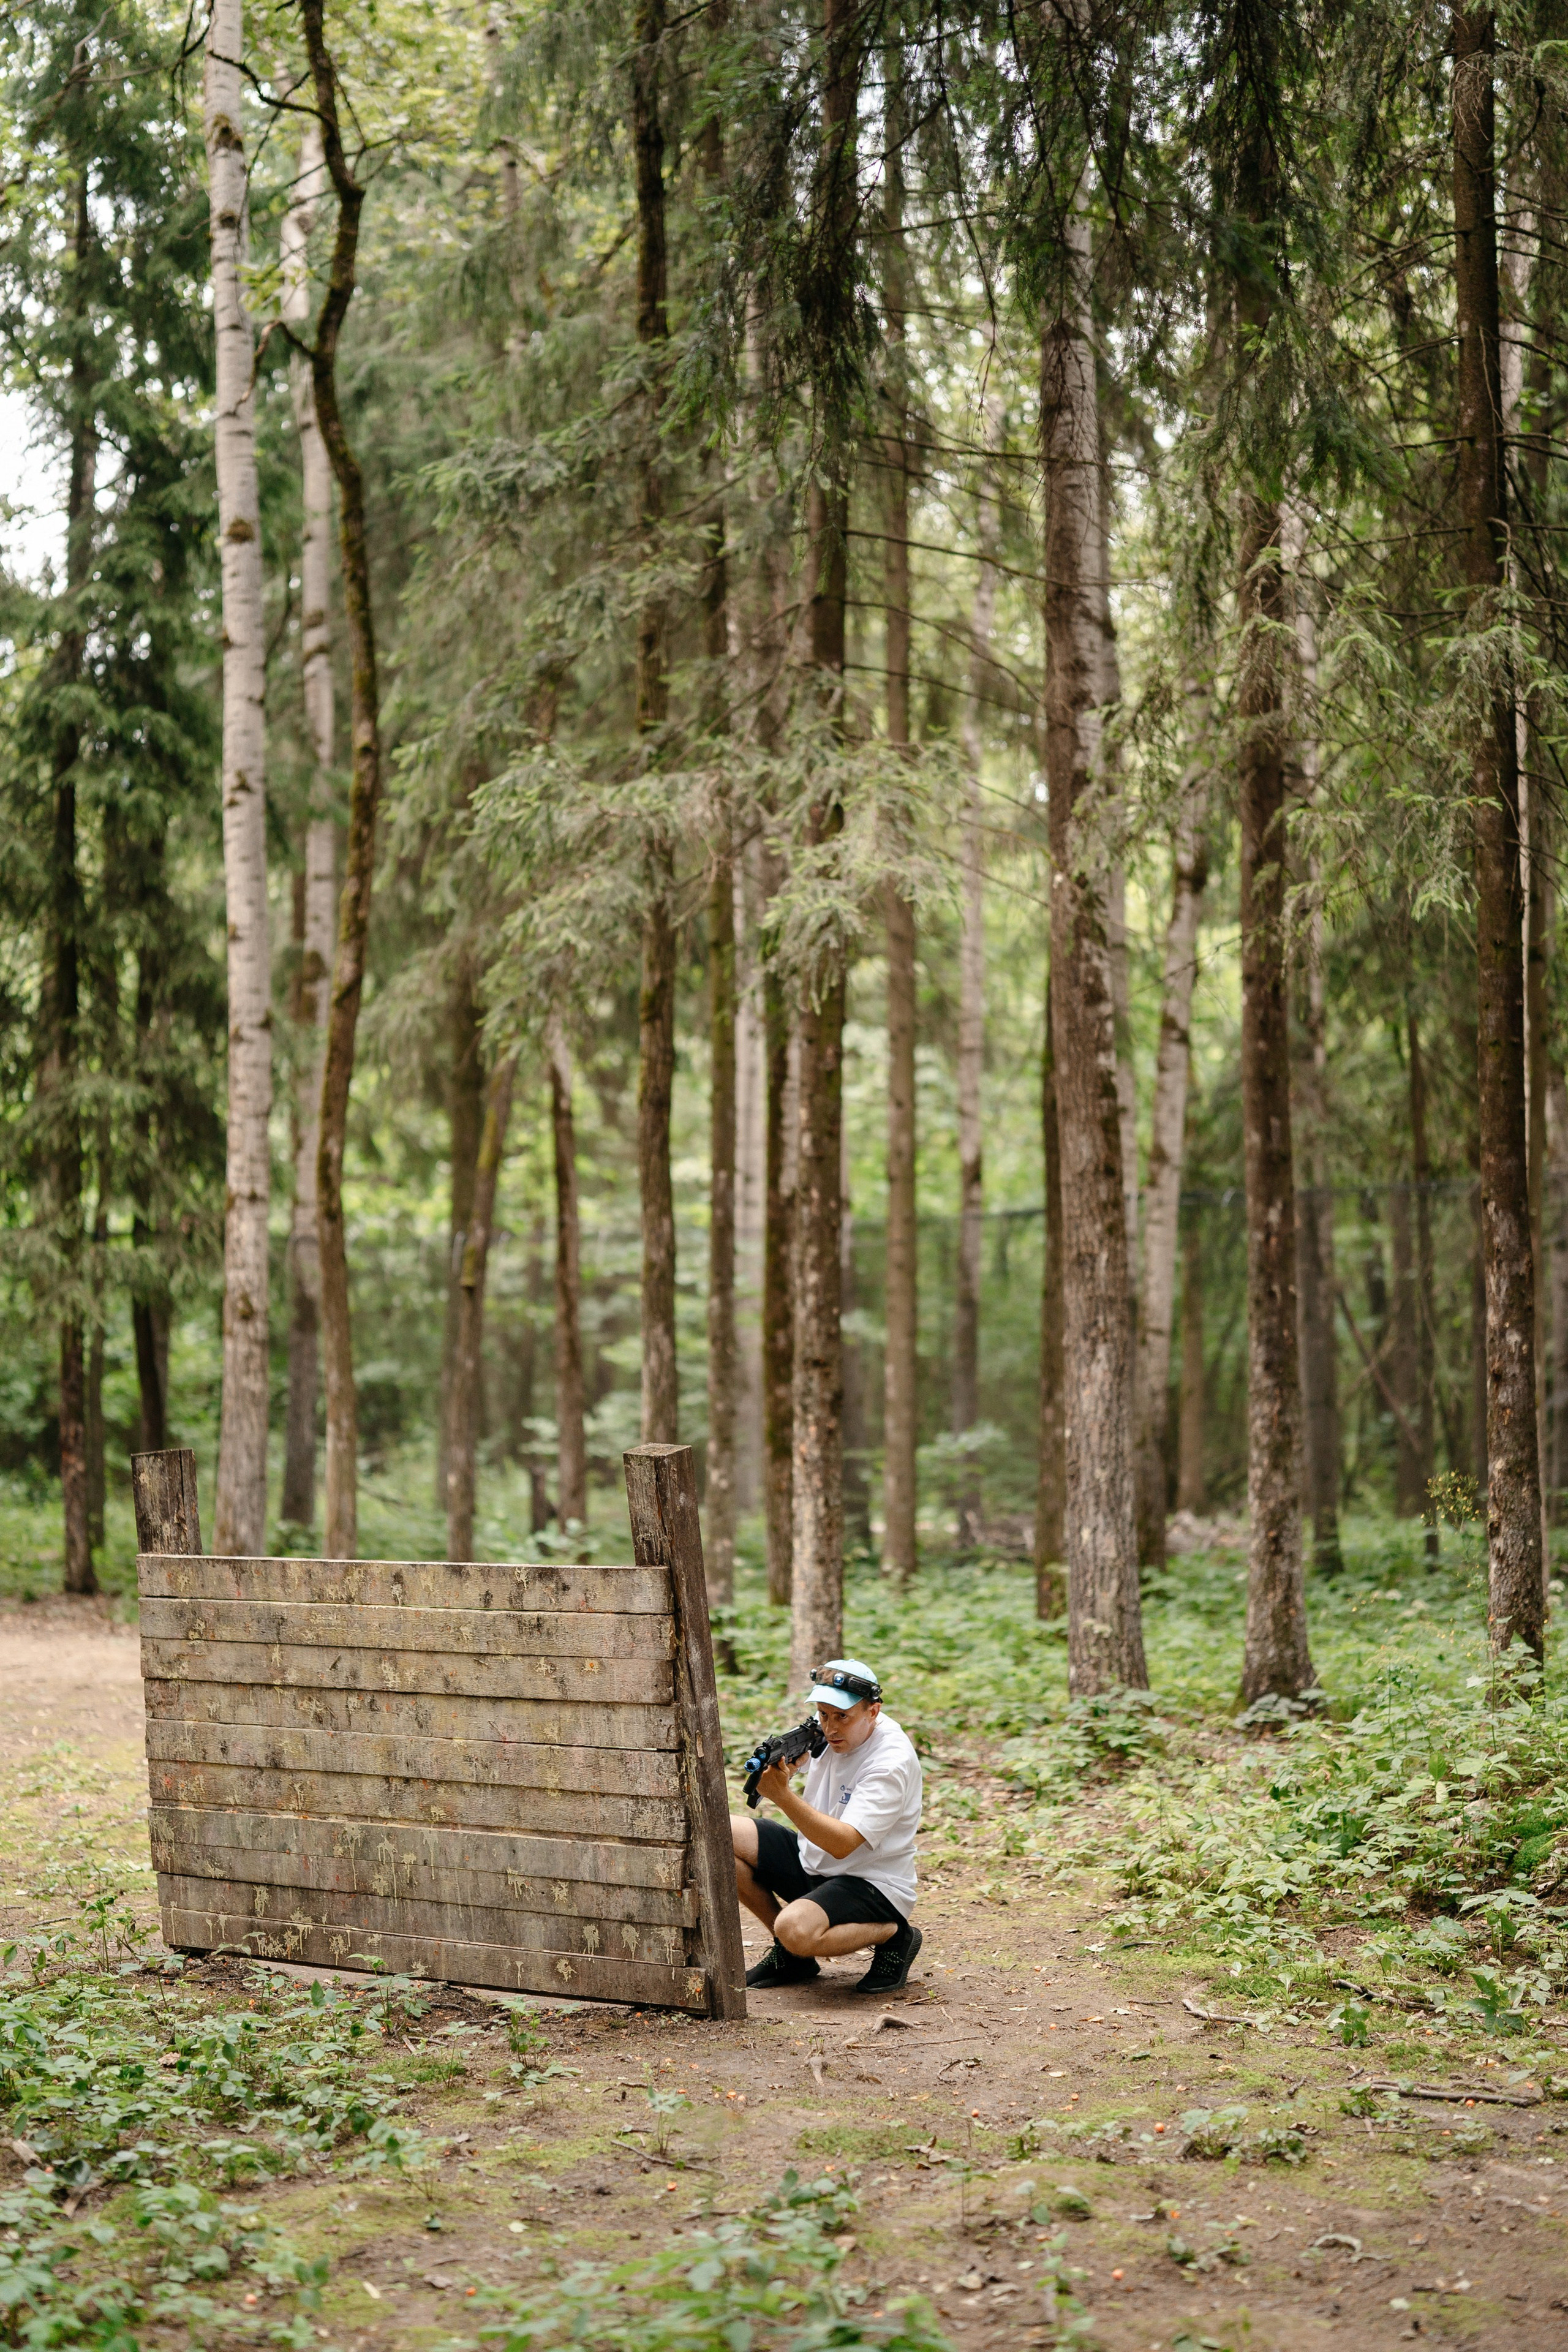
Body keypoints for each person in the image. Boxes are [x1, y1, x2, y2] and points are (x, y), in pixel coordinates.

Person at [731, 1657, 923, 1995]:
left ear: (873, 1712)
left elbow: (844, 1843)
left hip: (871, 1881)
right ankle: (791, 1957)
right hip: (816, 1860)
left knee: (795, 1928)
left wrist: (783, 1796)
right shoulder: (828, 1733)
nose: (831, 1728)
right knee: (718, 1838)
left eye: (842, 1717)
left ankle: (895, 1934)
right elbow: (814, 1751)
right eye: (824, 1714)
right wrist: (791, 1766)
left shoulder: (890, 1763)